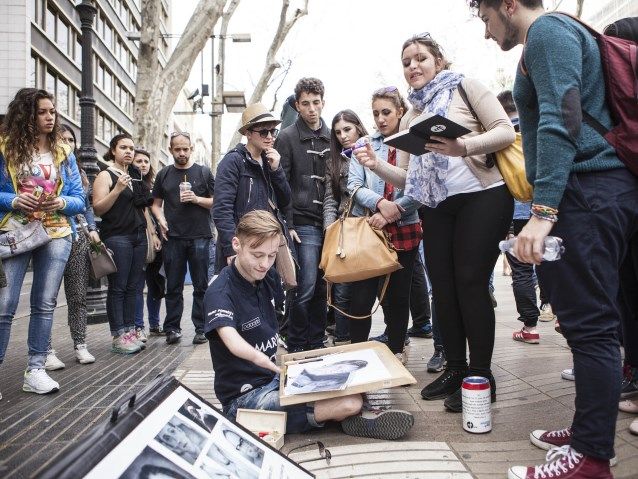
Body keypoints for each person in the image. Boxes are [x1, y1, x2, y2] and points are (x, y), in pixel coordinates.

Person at [473, 1, 638, 477]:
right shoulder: (563, 33)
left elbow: (559, 117)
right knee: (592, 325)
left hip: (588, 193)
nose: (486, 32)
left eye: (485, 18)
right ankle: (590, 428)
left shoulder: (547, 32)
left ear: (506, 5)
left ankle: (590, 460)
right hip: (603, 192)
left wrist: (543, 212)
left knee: (591, 328)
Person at [354, 33, 515, 412]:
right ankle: (455, 369)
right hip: (438, 206)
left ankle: (480, 374)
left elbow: (505, 131)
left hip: (484, 197)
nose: (413, 66)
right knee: (442, 289)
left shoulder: (465, 87)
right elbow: (408, 180)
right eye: (406, 61)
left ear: (439, 61)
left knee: (470, 283)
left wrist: (464, 147)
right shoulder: (411, 115)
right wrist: (376, 165)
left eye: (421, 58)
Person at [204, 210, 414, 440]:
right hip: (244, 401)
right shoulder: (220, 290)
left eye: (272, 255)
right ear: (236, 244)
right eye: (257, 255)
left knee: (355, 380)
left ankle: (344, 415)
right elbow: (232, 341)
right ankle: (349, 415)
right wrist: (261, 359)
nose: (264, 264)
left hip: (278, 380)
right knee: (350, 402)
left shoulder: (268, 278)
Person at [0, 88, 85, 396]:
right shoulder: (5, 148)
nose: (50, 117)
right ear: (27, 115)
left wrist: (61, 202)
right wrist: (13, 200)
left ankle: (35, 368)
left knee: (44, 304)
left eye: (52, 112)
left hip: (56, 232)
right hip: (15, 231)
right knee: (5, 305)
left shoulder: (64, 152)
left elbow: (79, 199)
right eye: (42, 112)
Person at [348, 86, 423, 364]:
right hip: (371, 229)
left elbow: (420, 187)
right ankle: (356, 351)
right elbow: (353, 185)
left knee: (397, 296)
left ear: (400, 111)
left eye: (386, 112)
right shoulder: (365, 144)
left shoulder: (414, 142)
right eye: (376, 113)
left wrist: (394, 211)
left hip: (405, 227)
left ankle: (396, 351)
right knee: (361, 295)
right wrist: (380, 204)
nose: (380, 118)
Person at [275, 77, 330, 353]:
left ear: (323, 102)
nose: (311, 109)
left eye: (316, 103)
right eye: (305, 103)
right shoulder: (286, 137)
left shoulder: (332, 136)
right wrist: (288, 223)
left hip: (330, 223)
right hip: (303, 222)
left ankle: (317, 339)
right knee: (305, 285)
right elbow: (281, 184)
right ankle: (297, 341)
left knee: (323, 286)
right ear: (297, 105)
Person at [152, 132, 215, 346]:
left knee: (201, 285)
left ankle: (201, 328)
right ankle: (172, 328)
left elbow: (217, 201)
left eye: (185, 149)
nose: (181, 153)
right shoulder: (164, 175)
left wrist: (196, 199)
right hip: (173, 237)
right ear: (170, 150)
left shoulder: (204, 173)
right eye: (177, 149)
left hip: (200, 236)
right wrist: (160, 220)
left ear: (191, 149)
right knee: (174, 286)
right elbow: (155, 204)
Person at [213, 103, 291, 274]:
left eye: (273, 131)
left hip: (267, 247)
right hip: (242, 246)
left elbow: (285, 201)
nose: (270, 136)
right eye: (263, 132)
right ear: (248, 133)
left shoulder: (271, 161)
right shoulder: (233, 162)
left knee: (266, 298)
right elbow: (221, 209)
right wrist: (230, 248)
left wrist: (276, 170)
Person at [44, 124, 98, 370]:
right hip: (50, 235)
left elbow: (85, 205)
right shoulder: (45, 168)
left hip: (77, 238)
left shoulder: (80, 172)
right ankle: (45, 349)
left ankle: (80, 344)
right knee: (47, 298)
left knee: (78, 296)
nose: (68, 143)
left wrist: (92, 230)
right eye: (62, 139)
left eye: (71, 139)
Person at [93, 133, 148, 355]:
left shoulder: (135, 175)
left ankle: (130, 330)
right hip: (117, 236)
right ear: (113, 150)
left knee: (134, 287)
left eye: (131, 148)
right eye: (123, 147)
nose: (128, 151)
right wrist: (117, 190)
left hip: (138, 237)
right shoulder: (105, 175)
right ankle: (119, 335)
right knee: (118, 287)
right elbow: (98, 208)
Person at [496, 90, 540, 345]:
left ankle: (530, 327)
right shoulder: (534, 125)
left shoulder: (500, 136)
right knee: (552, 264)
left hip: (514, 211)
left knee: (521, 270)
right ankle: (563, 319)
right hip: (544, 207)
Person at [325, 110, 369, 346]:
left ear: (359, 128)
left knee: (368, 288)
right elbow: (330, 200)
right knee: (341, 289)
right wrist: (330, 232)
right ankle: (342, 339)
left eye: (347, 129)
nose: (343, 136)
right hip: (344, 229)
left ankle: (363, 340)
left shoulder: (373, 151)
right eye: (338, 132)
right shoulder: (334, 160)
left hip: (372, 227)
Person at [132, 147, 162, 341]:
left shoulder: (153, 184)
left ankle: (154, 323)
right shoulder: (132, 184)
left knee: (156, 282)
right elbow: (144, 211)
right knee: (137, 283)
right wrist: (152, 233)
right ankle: (138, 326)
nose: (143, 164)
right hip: (141, 236)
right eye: (139, 161)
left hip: (159, 238)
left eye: (145, 161)